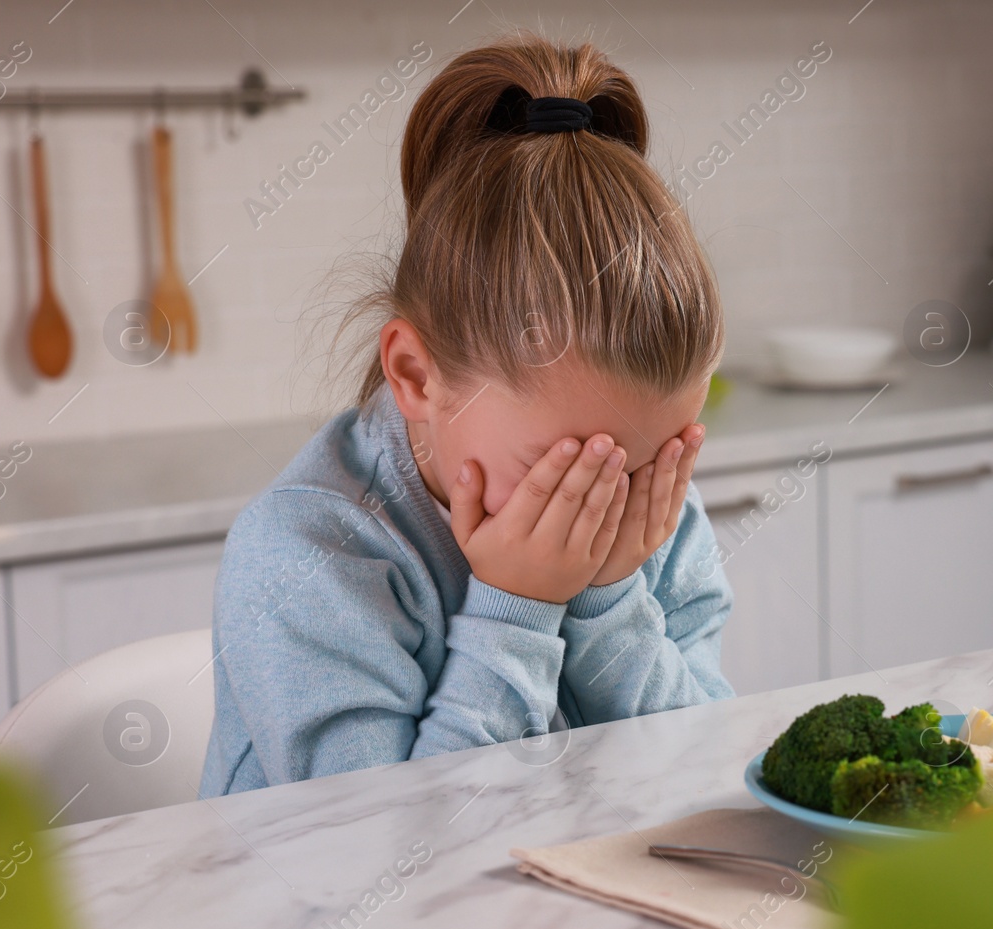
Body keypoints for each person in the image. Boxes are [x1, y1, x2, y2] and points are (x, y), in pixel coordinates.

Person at [199, 36, 733, 796]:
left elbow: (704, 773)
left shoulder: (656, 511)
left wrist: (609, 600)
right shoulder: (305, 557)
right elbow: (379, 867)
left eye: (652, 461)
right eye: (562, 470)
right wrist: (519, 607)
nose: (607, 506)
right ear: (416, 376)